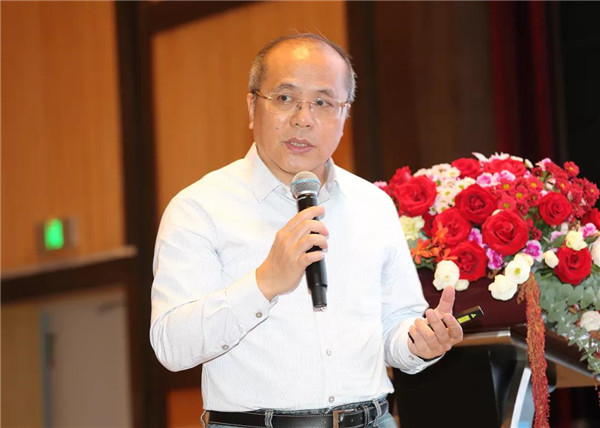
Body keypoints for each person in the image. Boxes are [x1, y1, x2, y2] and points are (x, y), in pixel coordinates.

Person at [150, 33, 463, 428]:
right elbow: (172, 346)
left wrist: (422, 343)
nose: (303, 118)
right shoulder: (200, 208)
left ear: (345, 116)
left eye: (323, 103)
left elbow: (395, 325)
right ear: (252, 107)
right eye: (285, 98)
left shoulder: (373, 204)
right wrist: (265, 282)